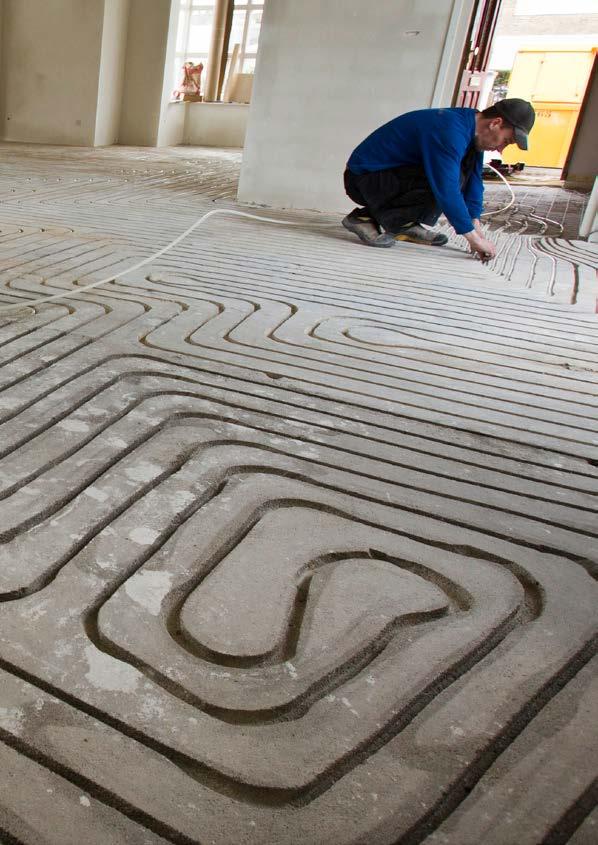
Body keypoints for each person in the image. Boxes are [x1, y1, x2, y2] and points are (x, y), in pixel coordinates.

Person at [342, 98, 535, 261]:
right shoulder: (450, 130)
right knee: (448, 179)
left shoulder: (472, 130)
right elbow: (447, 187)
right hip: (365, 179)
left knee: (459, 175)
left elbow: (474, 181)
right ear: (495, 123)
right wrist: (472, 238)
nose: (501, 150)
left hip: (387, 177)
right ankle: (363, 218)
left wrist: (475, 225)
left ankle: (401, 223)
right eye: (506, 141)